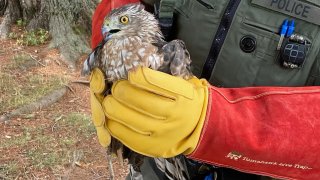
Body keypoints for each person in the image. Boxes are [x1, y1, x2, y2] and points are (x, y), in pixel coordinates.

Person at [89, 0, 320, 179]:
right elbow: (125, 8)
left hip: (260, 172)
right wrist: (111, 56)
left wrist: (215, 121)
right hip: (153, 164)